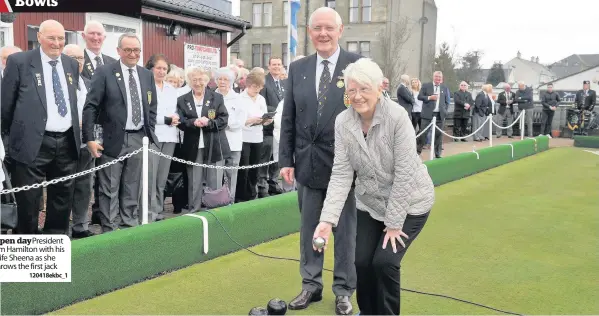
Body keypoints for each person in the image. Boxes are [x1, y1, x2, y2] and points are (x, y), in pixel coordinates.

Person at [313, 58, 434, 316]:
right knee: (361, 261)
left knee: (385, 262)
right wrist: (327, 220)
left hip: (411, 203)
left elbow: (405, 173)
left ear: (379, 88)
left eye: (364, 89)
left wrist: (393, 223)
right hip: (370, 203)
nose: (357, 96)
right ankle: (367, 312)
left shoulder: (397, 117)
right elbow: (342, 173)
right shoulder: (343, 122)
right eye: (352, 90)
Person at [279, 6, 361, 315]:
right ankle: (310, 285)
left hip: (346, 167)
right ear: (310, 32)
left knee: (345, 231)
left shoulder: (357, 64)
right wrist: (285, 159)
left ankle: (343, 290)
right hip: (307, 165)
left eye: (329, 28)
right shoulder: (298, 68)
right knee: (309, 229)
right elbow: (289, 118)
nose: (323, 33)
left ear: (340, 31)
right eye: (317, 28)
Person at [2, 20, 81, 234]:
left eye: (61, 38)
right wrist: (9, 145)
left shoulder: (71, 64)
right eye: (51, 38)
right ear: (39, 37)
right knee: (28, 201)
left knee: (62, 199)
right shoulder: (19, 62)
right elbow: (5, 108)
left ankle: (54, 244)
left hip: (66, 142)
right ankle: (27, 246)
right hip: (31, 143)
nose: (57, 43)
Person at [83, 32, 158, 232]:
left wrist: (148, 133)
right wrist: (89, 138)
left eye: (136, 50)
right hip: (112, 139)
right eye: (128, 50)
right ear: (118, 51)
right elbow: (90, 106)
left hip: (138, 138)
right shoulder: (104, 72)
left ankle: (129, 225)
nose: (133, 54)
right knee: (109, 188)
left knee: (133, 186)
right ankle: (110, 229)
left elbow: (151, 107)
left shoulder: (146, 74)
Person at [64, 43, 95, 238]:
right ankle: (62, 228)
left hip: (86, 144)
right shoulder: (58, 83)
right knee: (64, 188)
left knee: (84, 187)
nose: (77, 62)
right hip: (65, 144)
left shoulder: (89, 83)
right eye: (73, 58)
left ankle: (80, 225)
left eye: (80, 58)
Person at [146, 54, 179, 219]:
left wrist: (176, 118)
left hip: (170, 136)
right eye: (158, 68)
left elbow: (176, 110)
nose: (161, 71)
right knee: (150, 176)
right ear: (151, 68)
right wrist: (165, 119)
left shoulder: (171, 89)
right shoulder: (146, 86)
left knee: (162, 176)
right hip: (154, 135)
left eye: (164, 68)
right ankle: (148, 210)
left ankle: (158, 209)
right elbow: (148, 114)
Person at [214, 67, 245, 201]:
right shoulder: (211, 96)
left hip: (233, 142)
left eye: (225, 79)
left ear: (231, 81)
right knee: (215, 174)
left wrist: (222, 123)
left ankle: (230, 200)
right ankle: (215, 200)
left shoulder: (238, 99)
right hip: (215, 142)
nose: (222, 82)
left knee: (231, 174)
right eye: (220, 79)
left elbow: (240, 122)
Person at [417, 71, 449, 158]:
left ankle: (438, 154)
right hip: (427, 114)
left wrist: (444, 110)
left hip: (440, 115)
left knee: (438, 135)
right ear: (433, 77)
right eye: (436, 76)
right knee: (423, 134)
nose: (438, 78)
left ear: (442, 78)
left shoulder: (444, 87)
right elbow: (419, 97)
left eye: (440, 77)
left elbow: (447, 101)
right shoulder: (426, 85)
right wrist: (429, 98)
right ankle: (417, 152)